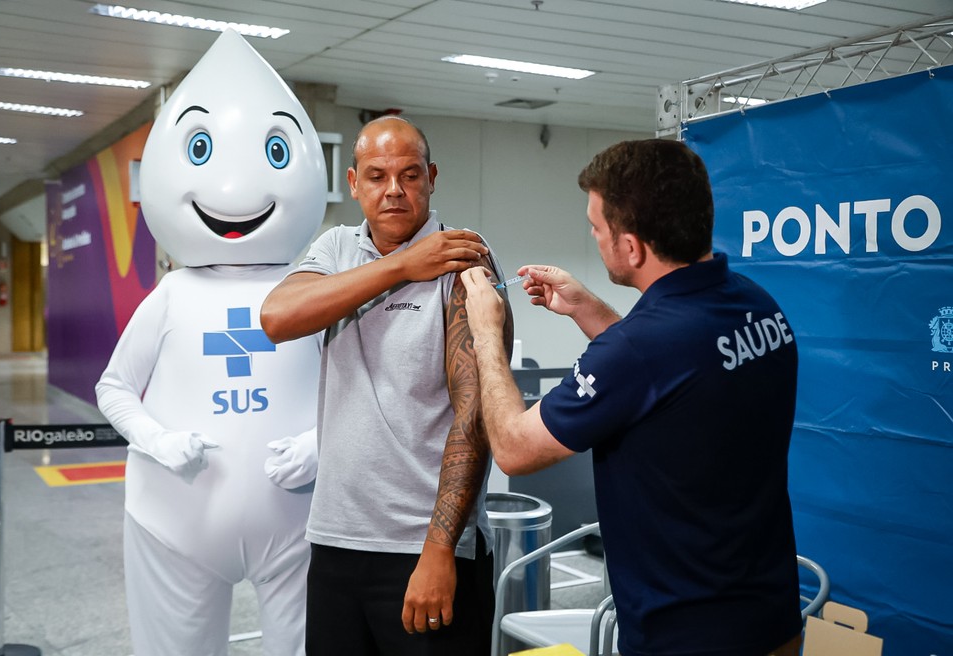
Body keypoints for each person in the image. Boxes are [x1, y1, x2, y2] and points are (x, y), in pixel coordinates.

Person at [460, 138, 803, 656]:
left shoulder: (640, 349)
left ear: (632, 247)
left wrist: (486, 331)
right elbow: (670, 381)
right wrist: (587, 309)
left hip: (685, 637)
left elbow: (513, 447)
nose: (593, 237)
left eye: (597, 228)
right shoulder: (757, 305)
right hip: (771, 619)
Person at [96, 29, 327, 656]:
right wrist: (158, 440)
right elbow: (115, 388)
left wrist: (321, 444)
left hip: (303, 524)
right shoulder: (170, 295)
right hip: (173, 522)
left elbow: (361, 392)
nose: (235, 193)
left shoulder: (315, 290)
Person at [260, 115, 513, 656]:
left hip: (426, 549)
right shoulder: (336, 248)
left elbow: (475, 415)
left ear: (432, 178)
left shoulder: (462, 256)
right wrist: (402, 266)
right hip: (336, 540)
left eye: (410, 175)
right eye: (376, 176)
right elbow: (277, 318)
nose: (394, 189)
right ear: (353, 183)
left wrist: (440, 548)